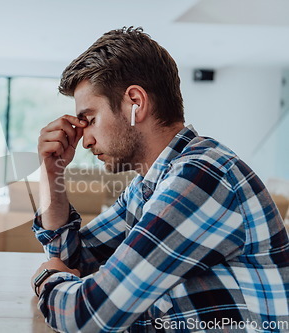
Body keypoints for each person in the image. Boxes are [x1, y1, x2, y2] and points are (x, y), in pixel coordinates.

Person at [31, 26, 289, 332]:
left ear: (135, 103)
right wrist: (52, 174)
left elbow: (86, 317)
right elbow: (75, 257)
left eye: (90, 120)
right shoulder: (148, 185)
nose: (84, 141)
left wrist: (46, 279)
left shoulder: (202, 178)